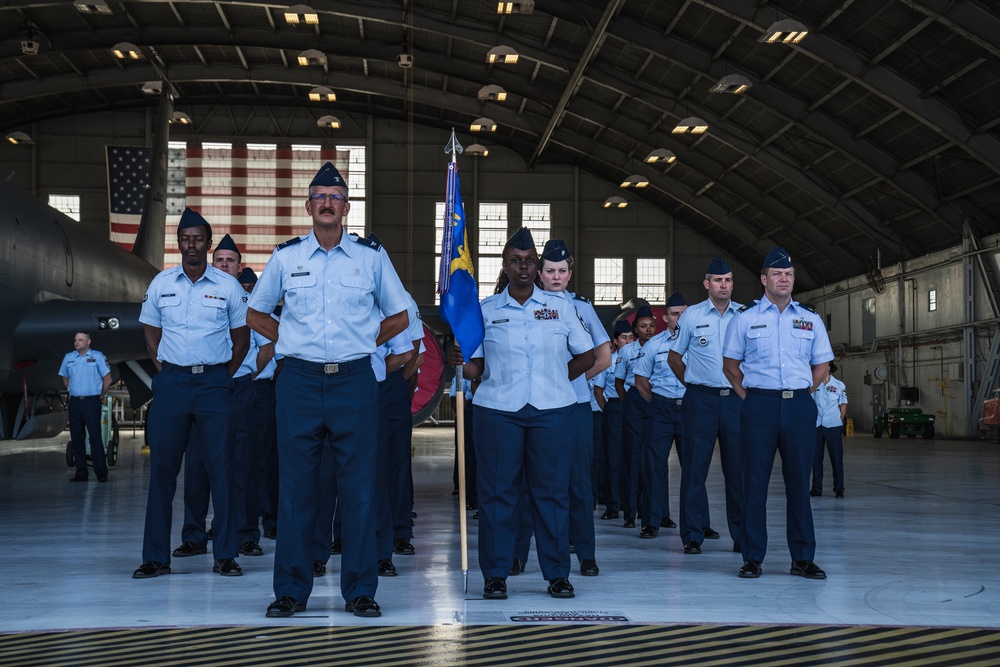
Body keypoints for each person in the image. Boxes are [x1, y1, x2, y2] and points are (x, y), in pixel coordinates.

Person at [247, 162, 409, 619]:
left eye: (335, 197)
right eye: (319, 196)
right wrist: (291, 340)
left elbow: (401, 315)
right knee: (296, 490)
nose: (326, 203)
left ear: (346, 207)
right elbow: (256, 314)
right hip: (297, 381)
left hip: (355, 380)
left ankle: (360, 590)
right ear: (308, 205)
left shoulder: (370, 257)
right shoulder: (287, 257)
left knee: (358, 489)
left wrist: (363, 341)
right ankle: (291, 591)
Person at [448, 227, 594, 601]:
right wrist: (460, 363)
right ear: (505, 265)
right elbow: (476, 368)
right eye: (516, 261)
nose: (524, 267)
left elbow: (587, 355)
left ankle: (557, 574)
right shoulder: (486, 311)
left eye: (530, 261)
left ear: (538, 266)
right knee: (498, 495)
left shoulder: (562, 308)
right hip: (498, 412)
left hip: (552, 412)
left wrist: (558, 379)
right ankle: (496, 576)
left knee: (552, 494)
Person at [133, 208, 249, 580]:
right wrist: (166, 370)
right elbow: (151, 333)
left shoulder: (228, 287)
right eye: (186, 239)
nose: (192, 245)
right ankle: (155, 556)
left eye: (198, 239)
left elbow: (241, 340)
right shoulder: (161, 283)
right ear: (179, 242)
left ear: (208, 243)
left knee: (222, 470)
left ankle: (226, 555)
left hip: (215, 384)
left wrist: (221, 376)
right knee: (163, 471)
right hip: (172, 385)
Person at [722, 246, 833, 580]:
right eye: (776, 274)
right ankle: (753, 556)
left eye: (788, 274)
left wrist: (799, 395)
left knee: (799, 483)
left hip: (798, 406)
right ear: (763, 279)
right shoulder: (746, 319)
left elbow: (823, 365)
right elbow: (730, 366)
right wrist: (753, 396)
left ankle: (802, 557)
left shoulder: (810, 319)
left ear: (793, 279)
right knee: (753, 482)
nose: (783, 279)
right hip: (759, 405)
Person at [536, 239, 611, 577]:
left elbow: (604, 356)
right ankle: (522, 555)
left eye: (562, 271)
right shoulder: (527, 305)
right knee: (533, 482)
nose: (556, 277)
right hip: (534, 406)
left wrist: (567, 381)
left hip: (576, 404)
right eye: (550, 271)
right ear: (539, 273)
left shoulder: (581, 306)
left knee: (579, 483)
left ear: (570, 273)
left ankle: (585, 553)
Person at [668, 257, 743, 555]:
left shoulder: (745, 316)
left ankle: (741, 534)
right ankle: (692, 535)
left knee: (738, 470)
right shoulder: (692, 316)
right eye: (717, 280)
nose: (723, 285)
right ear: (707, 284)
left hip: (736, 401)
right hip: (700, 401)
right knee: (695, 469)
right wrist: (694, 386)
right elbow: (675, 357)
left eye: (728, 280)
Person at [633, 292, 687, 538]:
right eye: (675, 314)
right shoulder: (655, 345)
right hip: (661, 409)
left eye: (684, 313)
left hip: (690, 409)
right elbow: (641, 381)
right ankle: (651, 522)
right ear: (665, 317)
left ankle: (699, 523)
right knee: (654, 467)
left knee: (694, 468)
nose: (680, 317)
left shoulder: (700, 343)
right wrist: (658, 404)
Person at [614, 305, 657, 529]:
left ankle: (655, 511)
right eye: (643, 326)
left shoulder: (661, 347)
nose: (648, 330)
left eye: (651, 326)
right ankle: (630, 512)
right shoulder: (627, 351)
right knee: (632, 457)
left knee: (653, 458)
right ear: (635, 329)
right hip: (634, 401)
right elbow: (619, 382)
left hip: (656, 400)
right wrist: (628, 404)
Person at [59, 331, 112, 483]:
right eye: (75, 340)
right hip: (75, 402)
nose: (77, 342)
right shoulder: (69, 358)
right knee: (76, 438)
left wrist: (99, 396)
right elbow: (64, 377)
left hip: (91, 402)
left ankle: (101, 473)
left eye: (80, 340)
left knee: (95, 437)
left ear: (88, 342)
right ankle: (81, 473)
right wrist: (73, 390)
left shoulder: (98, 357)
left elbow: (107, 379)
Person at [594, 321, 633, 520]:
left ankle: (631, 504)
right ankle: (612, 505)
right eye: (623, 337)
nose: (627, 341)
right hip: (615, 408)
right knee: (612, 459)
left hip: (635, 408)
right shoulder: (608, 362)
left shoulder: (639, 358)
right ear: (615, 341)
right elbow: (598, 391)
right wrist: (610, 410)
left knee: (633, 458)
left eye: (630, 337)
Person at [811, 362, 848, 498]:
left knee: (836, 458)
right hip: (817, 425)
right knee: (816, 458)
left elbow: (843, 406)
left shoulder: (839, 385)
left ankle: (839, 489)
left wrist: (837, 420)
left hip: (833, 425)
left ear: (828, 368)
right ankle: (816, 488)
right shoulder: (813, 385)